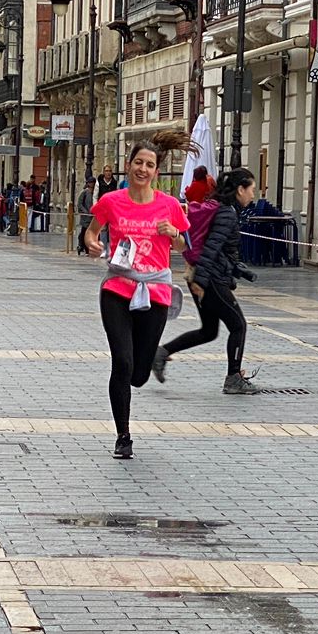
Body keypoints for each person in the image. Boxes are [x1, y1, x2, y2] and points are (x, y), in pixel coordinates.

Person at [86, 140, 189, 460]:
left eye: (149, 165)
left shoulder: (169, 205)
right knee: (122, 362)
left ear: (156, 172)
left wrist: (173, 232)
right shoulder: (111, 201)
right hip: (117, 287)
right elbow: (91, 232)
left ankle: (151, 356)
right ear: (128, 165)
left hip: (155, 291)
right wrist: (91, 243)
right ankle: (123, 436)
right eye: (138, 163)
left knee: (139, 375)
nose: (142, 169)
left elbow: (184, 247)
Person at [155, 167, 260, 394]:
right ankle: (233, 378)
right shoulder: (227, 213)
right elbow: (211, 249)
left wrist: (236, 269)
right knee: (238, 325)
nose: (254, 194)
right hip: (208, 278)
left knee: (209, 331)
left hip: (203, 274)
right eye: (252, 189)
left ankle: (161, 353)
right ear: (240, 189)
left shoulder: (224, 210)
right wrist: (200, 282)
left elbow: (220, 250)